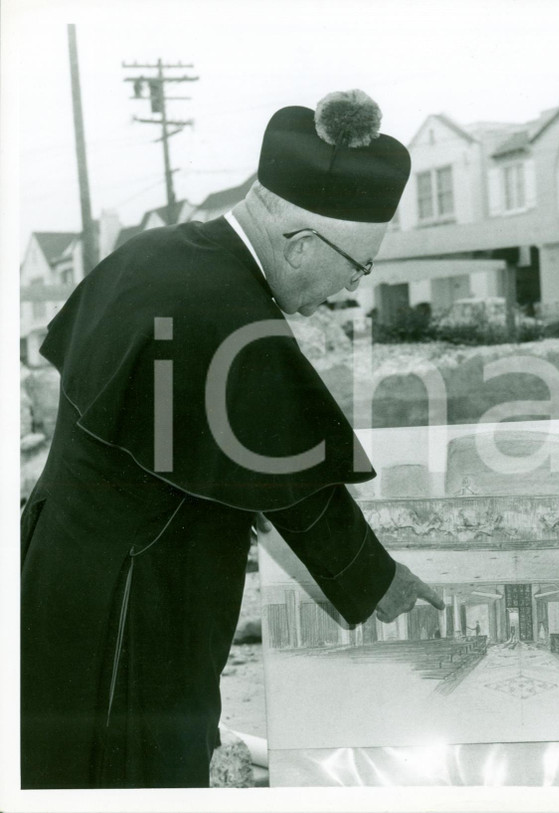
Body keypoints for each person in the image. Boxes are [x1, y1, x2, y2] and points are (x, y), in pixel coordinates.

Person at [20, 90, 445, 789]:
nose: (351, 289)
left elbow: (212, 445)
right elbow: (295, 485)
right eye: (359, 267)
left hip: (59, 577)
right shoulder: (229, 309)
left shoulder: (152, 255)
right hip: (131, 609)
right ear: (302, 244)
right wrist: (378, 580)